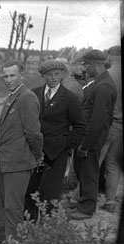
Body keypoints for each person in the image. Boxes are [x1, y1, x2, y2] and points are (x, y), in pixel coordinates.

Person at [24, 59, 87, 221]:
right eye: (49, 75)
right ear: (43, 76)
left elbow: (80, 127)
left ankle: (47, 228)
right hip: (34, 152)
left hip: (56, 154)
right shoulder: (33, 94)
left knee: (50, 193)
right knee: (30, 189)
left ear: (62, 74)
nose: (53, 78)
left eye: (57, 74)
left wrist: (66, 145)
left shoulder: (70, 98)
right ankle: (29, 225)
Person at [0, 61, 43, 239]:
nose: (8, 80)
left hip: (17, 161)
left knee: (13, 207)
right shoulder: (11, 97)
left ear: (22, 75)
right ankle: (12, 243)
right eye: (5, 76)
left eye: (12, 75)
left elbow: (34, 133)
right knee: (8, 206)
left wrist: (36, 155)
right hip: (5, 159)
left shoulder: (26, 97)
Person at [70, 50, 117, 220]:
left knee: (89, 174)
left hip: (91, 140)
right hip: (87, 138)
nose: (84, 69)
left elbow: (98, 121)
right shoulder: (99, 83)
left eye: (86, 65)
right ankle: (82, 202)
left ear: (95, 65)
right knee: (84, 172)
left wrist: (86, 145)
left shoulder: (103, 87)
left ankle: (86, 209)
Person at [101, 45, 122, 214]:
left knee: (94, 161)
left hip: (110, 124)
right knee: (114, 164)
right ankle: (110, 201)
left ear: (112, 55)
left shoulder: (108, 75)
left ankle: (80, 198)